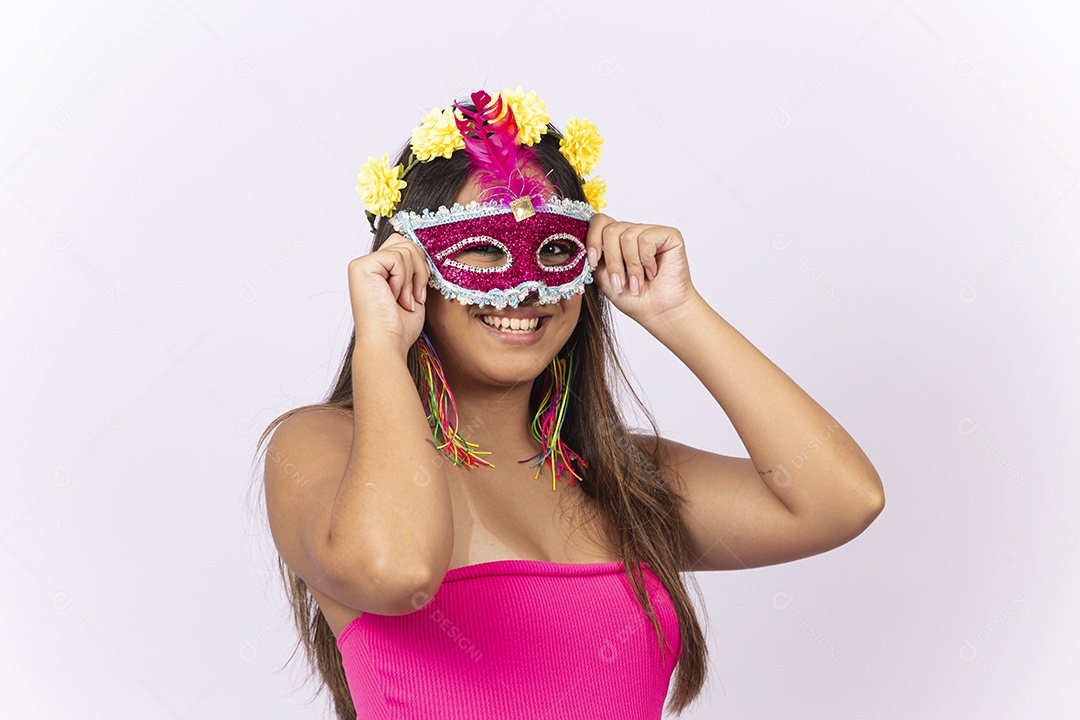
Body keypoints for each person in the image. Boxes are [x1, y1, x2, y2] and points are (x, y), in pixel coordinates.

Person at [254, 88, 885, 719]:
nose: (525, 285)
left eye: (556, 249)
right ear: (406, 265)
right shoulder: (321, 448)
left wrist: (676, 310)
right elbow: (397, 572)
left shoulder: (623, 478)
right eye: (481, 248)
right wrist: (382, 345)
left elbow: (841, 501)